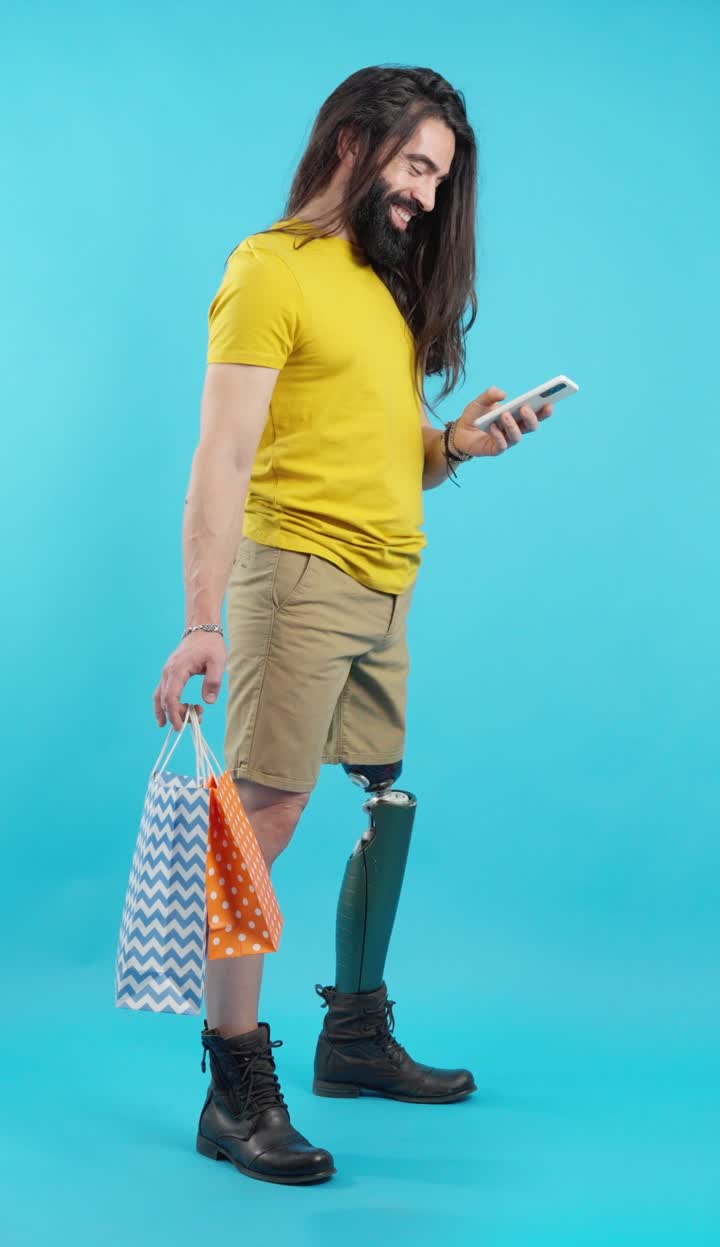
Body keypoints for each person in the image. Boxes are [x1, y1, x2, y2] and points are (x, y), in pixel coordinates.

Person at [153, 64, 553, 1187]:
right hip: (297, 580)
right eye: (417, 165)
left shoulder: (379, 288)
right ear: (350, 143)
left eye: (439, 177)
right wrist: (201, 619)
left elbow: (386, 452)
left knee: (384, 796)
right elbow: (225, 454)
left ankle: (354, 1037)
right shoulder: (267, 267)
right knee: (258, 825)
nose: (426, 195)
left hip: (386, 583)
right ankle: (234, 1084)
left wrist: (461, 441)